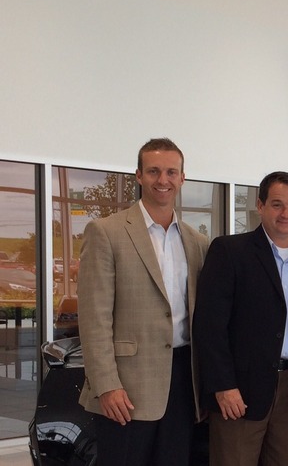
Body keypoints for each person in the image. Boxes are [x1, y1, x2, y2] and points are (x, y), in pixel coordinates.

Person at [77, 138, 209, 466]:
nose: (162, 180)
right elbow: (94, 317)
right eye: (153, 171)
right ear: (138, 175)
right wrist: (106, 384)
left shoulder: (198, 242)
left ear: (182, 178)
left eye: (170, 172)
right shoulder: (106, 232)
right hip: (127, 386)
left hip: (183, 383)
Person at [193, 171, 288, 466]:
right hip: (240, 389)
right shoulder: (229, 252)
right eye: (277, 204)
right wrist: (223, 385)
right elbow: (209, 325)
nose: (286, 213)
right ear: (260, 205)